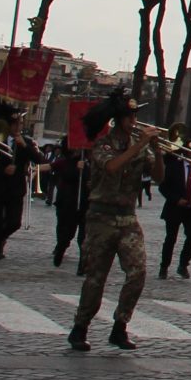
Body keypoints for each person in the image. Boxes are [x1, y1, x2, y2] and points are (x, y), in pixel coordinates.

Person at [69, 93, 165, 351]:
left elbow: (158, 177)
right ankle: (80, 326)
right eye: (130, 117)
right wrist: (140, 145)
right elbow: (111, 167)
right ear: (119, 119)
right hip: (101, 217)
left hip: (127, 216)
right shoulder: (104, 144)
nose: (135, 121)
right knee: (95, 278)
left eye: (136, 116)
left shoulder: (141, 144)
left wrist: (156, 149)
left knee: (138, 272)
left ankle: (120, 326)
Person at [0, 122, 32, 272]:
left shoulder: (25, 142)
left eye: (20, 124)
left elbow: (39, 159)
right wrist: (3, 170)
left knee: (14, 223)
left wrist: (25, 146)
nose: (17, 127)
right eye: (14, 124)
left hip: (15, 190)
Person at [158, 142, 191, 279]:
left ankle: (183, 265)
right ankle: (164, 267)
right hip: (175, 208)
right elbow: (163, 187)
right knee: (170, 239)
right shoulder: (174, 167)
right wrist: (176, 199)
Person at [47, 142, 85, 269]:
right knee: (68, 232)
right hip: (70, 201)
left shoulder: (92, 160)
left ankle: (82, 264)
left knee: (84, 236)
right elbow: (66, 174)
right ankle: (61, 248)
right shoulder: (69, 162)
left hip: (87, 201)